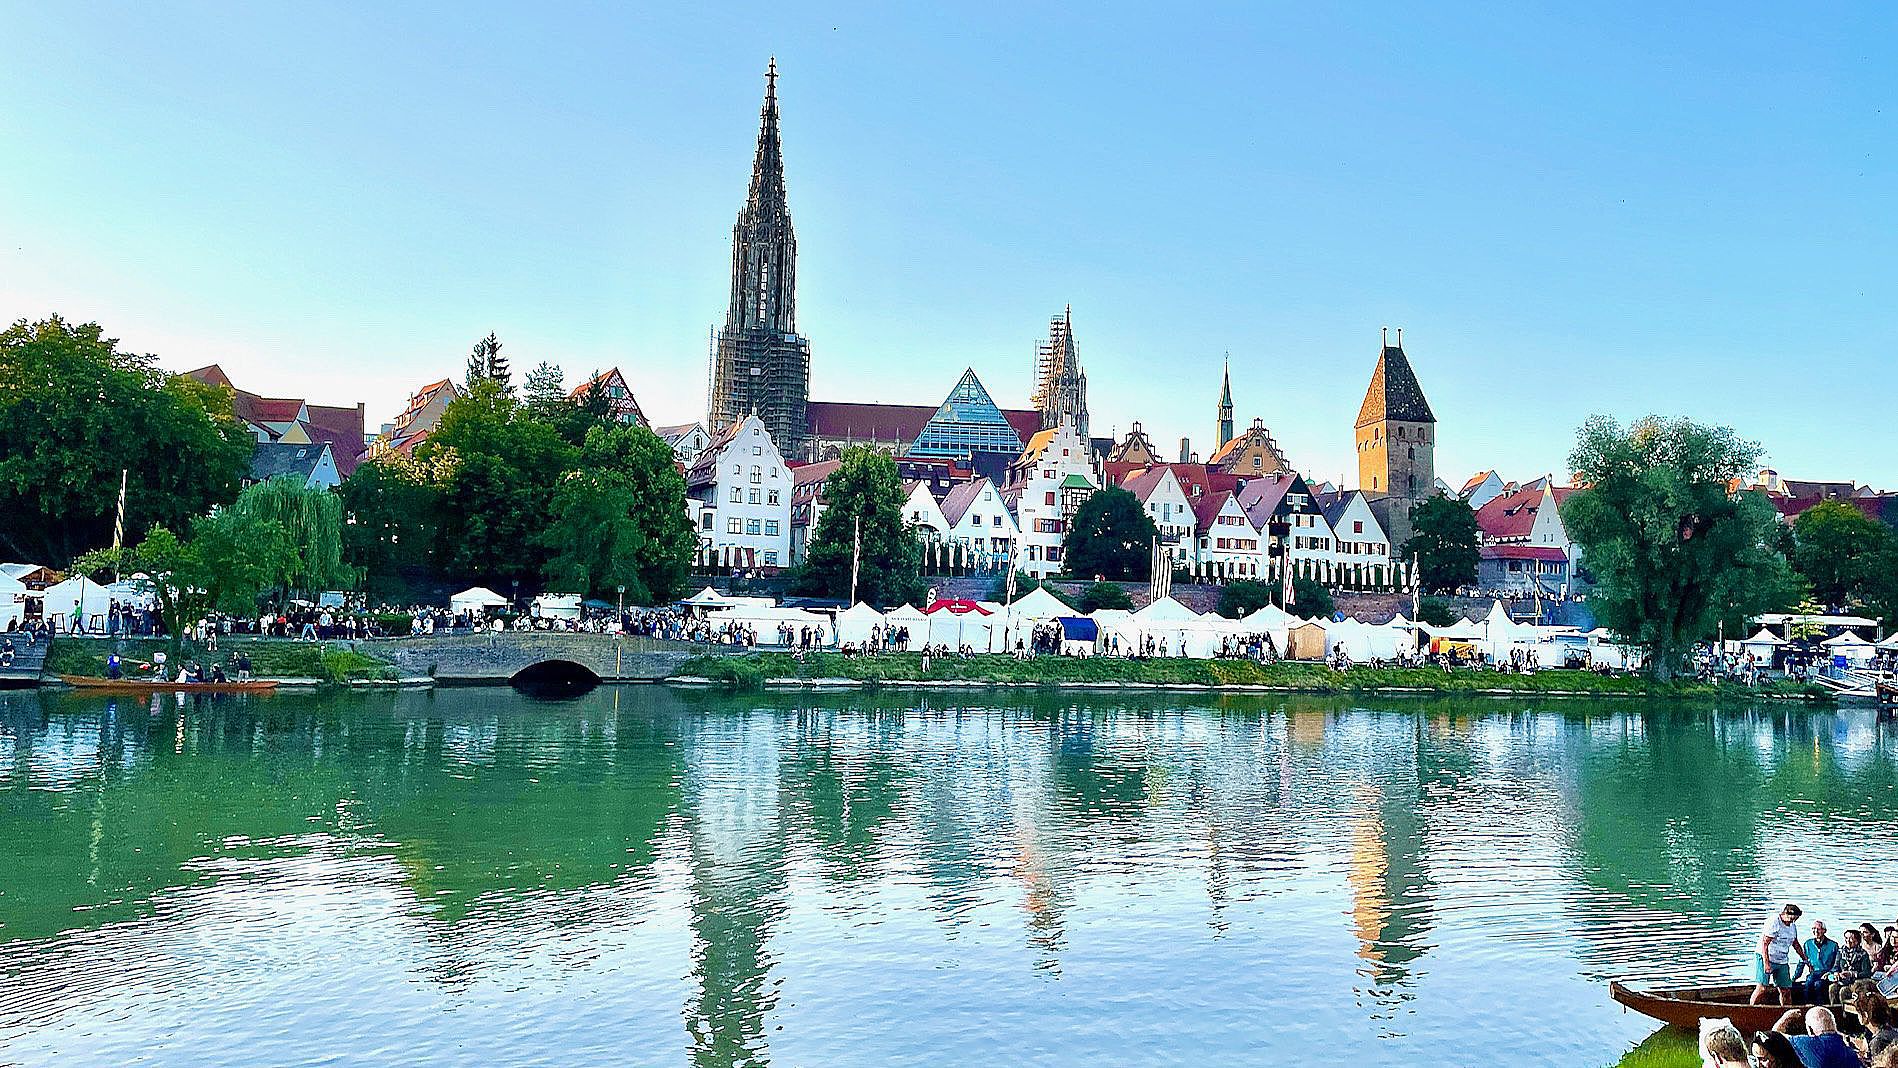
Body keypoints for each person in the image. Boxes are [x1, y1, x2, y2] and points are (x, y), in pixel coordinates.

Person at [1754, 904, 1812, 1005]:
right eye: (1791, 918)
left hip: (1781, 959)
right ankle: (1751, 1008)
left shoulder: (1792, 926)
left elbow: (1796, 944)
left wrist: (1805, 960)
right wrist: (1766, 964)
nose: (1792, 921)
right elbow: (1765, 944)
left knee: (1786, 990)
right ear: (1784, 914)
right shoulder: (1774, 922)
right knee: (1762, 988)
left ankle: (1786, 1010)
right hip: (1766, 956)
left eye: (1795, 919)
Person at [1789, 1007, 1861, 1068]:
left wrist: (1786, 1018)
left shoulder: (1807, 1043)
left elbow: (1781, 1040)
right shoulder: (1851, 1051)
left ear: (1810, 1029)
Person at [1798, 921, 1842, 1004]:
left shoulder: (1833, 945)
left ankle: (1821, 1005)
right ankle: (1808, 1005)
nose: (1816, 931)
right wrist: (1795, 977)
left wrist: (1830, 973)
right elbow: (1802, 961)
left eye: (1818, 929)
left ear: (1824, 931)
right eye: (1814, 929)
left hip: (1827, 973)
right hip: (1814, 973)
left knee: (1819, 984)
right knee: (1809, 982)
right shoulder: (1808, 944)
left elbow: (1837, 964)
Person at [1834, 927, 1876, 1004]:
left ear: (1857, 941)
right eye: (1846, 938)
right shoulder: (1840, 952)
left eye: (1851, 938)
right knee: (1832, 988)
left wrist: (1852, 974)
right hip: (1842, 981)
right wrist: (1836, 973)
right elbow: (1836, 967)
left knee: (1843, 991)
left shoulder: (1863, 954)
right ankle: (1834, 1009)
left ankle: (1845, 1011)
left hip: (1856, 983)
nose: (1848, 941)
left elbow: (1867, 973)